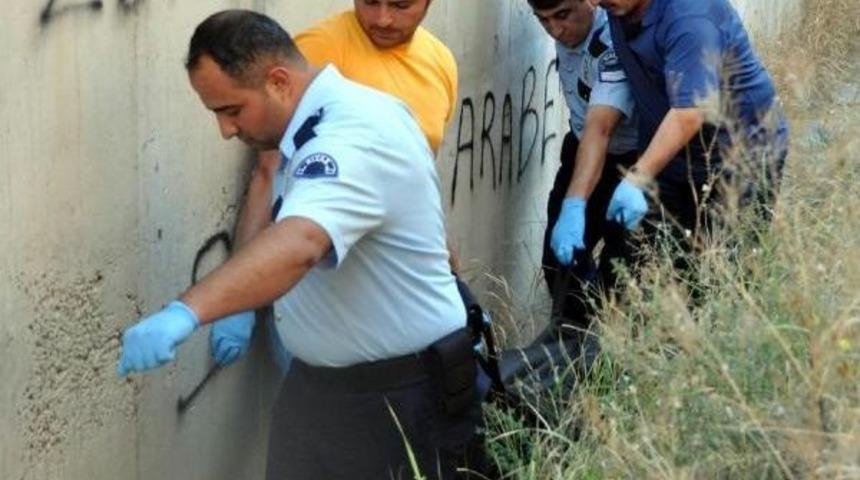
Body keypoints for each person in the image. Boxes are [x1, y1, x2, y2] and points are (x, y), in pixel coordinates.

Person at [116, 10, 484, 479]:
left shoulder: (354, 134)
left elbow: (302, 240)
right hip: (323, 395)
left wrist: (186, 312)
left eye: (231, 110)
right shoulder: (314, 127)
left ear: (278, 82)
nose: (226, 130)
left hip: (397, 400)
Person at [209, 0, 461, 370]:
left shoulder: (440, 63)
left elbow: (415, 177)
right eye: (369, 2)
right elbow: (269, 172)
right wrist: (239, 300)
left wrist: (437, 245)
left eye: (401, 4)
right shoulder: (315, 52)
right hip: (320, 302)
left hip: (394, 292)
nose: (382, 18)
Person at [597, 0, 789, 248]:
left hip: (740, 156)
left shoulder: (690, 14)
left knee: (728, 271)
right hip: (678, 155)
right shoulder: (620, 8)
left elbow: (690, 113)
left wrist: (636, 178)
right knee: (665, 267)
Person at [526, 0, 639, 335]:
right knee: (558, 261)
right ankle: (573, 346)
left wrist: (575, 205)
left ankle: (609, 353)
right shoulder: (567, 30)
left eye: (563, 16)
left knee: (621, 270)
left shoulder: (612, 41)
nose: (556, 31)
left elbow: (600, 130)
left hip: (630, 162)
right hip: (580, 146)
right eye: (543, 21)